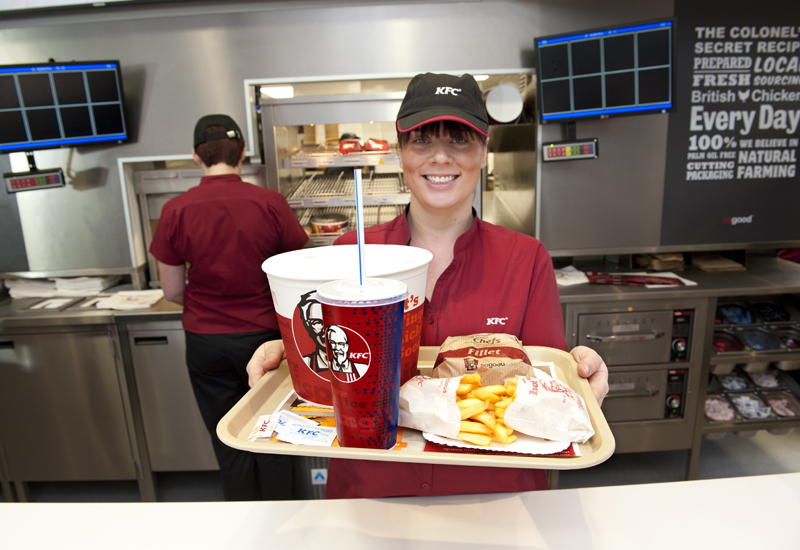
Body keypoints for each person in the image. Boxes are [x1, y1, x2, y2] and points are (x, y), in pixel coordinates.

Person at [246, 73, 609, 498]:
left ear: (484, 151)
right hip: (372, 490)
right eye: (421, 141)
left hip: (494, 497)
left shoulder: (526, 259)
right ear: (401, 153)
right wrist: (290, 354)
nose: (440, 157)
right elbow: (327, 363)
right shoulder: (349, 253)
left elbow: (547, 382)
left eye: (460, 139)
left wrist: (584, 384)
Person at [150, 114, 309, 501]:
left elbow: (171, 290)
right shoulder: (269, 202)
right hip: (266, 339)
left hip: (206, 341)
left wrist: (210, 304)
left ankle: (242, 524)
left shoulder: (175, 210)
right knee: (274, 433)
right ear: (242, 154)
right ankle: (280, 522)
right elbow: (296, 274)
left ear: (195, 156)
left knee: (228, 436)